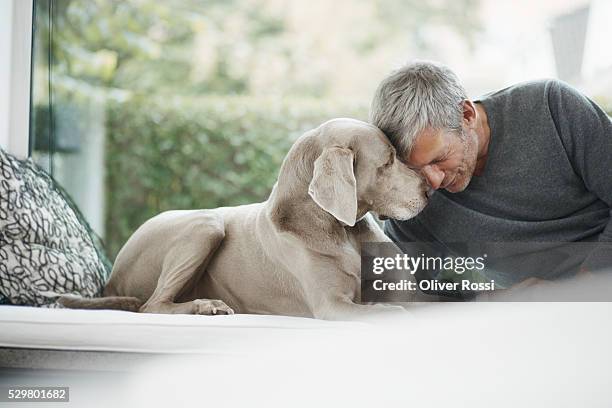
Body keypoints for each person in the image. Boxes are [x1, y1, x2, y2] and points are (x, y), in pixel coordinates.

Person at [369, 60, 612, 288]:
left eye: (439, 159)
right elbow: (392, 284)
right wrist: (486, 298)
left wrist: (580, 290)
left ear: (466, 115)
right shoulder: (413, 195)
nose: (433, 181)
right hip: (537, 316)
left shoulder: (553, 107)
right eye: (416, 171)